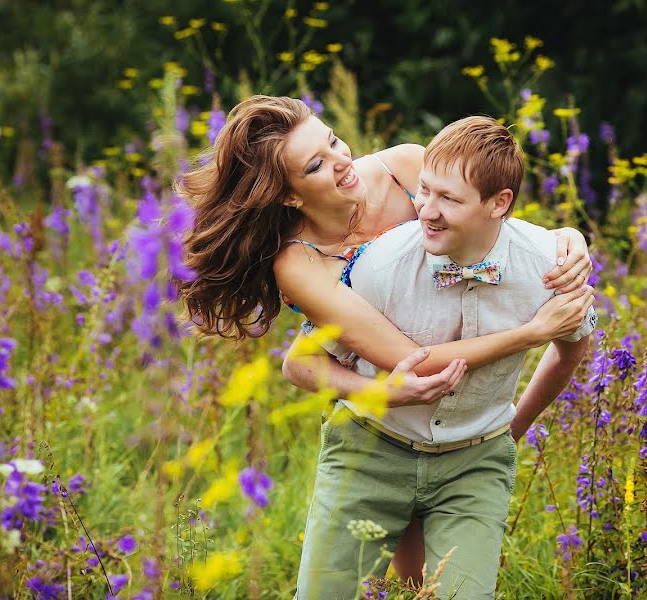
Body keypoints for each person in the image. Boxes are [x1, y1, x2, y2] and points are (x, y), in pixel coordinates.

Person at [176, 96, 593, 587]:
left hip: (462, 435)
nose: (342, 161)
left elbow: (495, 222)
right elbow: (407, 362)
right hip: (383, 412)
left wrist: (568, 238)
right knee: (408, 574)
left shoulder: (406, 168)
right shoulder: (300, 264)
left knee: (432, 583)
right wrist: (532, 334)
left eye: (332, 140)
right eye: (315, 165)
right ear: (290, 196)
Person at [286, 115, 596, 599]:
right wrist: (529, 333)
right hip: (372, 450)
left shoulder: (546, 265)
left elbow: (573, 347)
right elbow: (302, 362)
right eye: (423, 191)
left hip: (474, 464)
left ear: (500, 204)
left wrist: (509, 430)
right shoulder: (378, 264)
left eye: (448, 198)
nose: (425, 210)